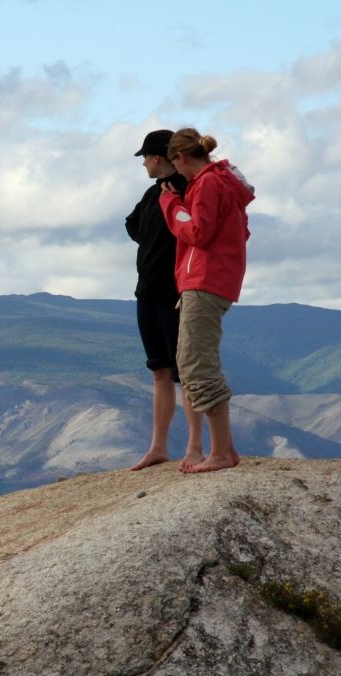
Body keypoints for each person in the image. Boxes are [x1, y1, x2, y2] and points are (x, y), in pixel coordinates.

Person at [160, 128, 255, 473]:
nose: (176, 170)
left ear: (181, 157)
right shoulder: (221, 183)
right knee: (196, 362)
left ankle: (219, 454)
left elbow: (199, 232)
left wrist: (172, 205)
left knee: (196, 364)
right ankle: (224, 447)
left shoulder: (207, 184)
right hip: (215, 278)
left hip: (204, 279)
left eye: (175, 163)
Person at [125, 130, 204, 472]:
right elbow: (131, 224)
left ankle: (195, 446)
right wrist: (152, 244)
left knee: (185, 372)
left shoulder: (187, 190)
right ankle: (158, 447)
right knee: (159, 370)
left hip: (176, 294)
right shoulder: (152, 193)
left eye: (145, 157)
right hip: (146, 293)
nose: (144, 163)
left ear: (158, 157)